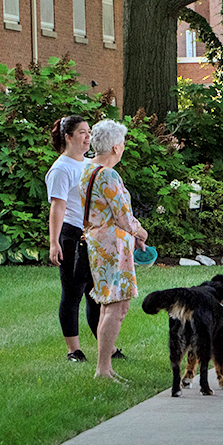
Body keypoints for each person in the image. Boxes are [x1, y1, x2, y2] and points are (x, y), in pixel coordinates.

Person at [80, 119, 150, 382]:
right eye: (121, 142)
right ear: (114, 147)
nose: (123, 147)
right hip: (111, 245)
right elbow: (122, 216)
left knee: (109, 304)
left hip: (100, 242)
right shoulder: (108, 174)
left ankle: (105, 367)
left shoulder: (88, 169)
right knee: (116, 306)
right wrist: (140, 232)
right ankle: (103, 368)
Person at [47, 115, 117, 363]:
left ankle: (105, 346)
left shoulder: (90, 164)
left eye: (89, 132)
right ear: (68, 137)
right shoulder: (61, 168)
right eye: (82, 132)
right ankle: (73, 350)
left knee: (95, 293)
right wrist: (54, 242)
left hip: (93, 236)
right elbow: (58, 207)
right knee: (72, 293)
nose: (88, 137)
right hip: (71, 236)